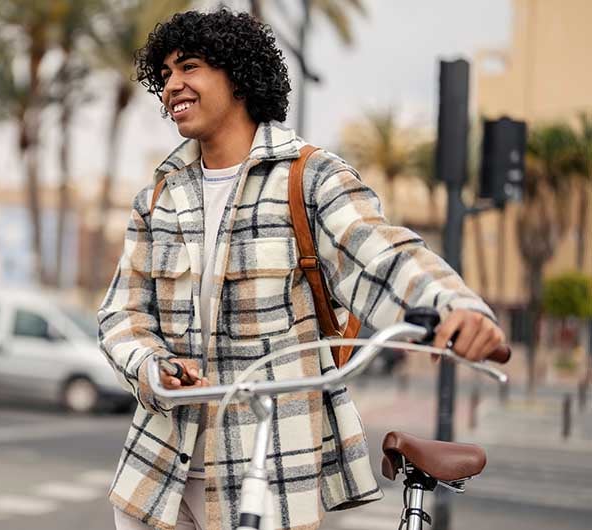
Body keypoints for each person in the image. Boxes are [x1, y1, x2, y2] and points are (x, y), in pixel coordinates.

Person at [96, 9, 505, 530]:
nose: (173, 85)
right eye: (167, 75)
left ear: (237, 76)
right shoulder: (158, 196)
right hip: (154, 481)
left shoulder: (309, 179)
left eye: (190, 67)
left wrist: (456, 307)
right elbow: (121, 315)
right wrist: (152, 367)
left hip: (268, 475)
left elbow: (381, 253)